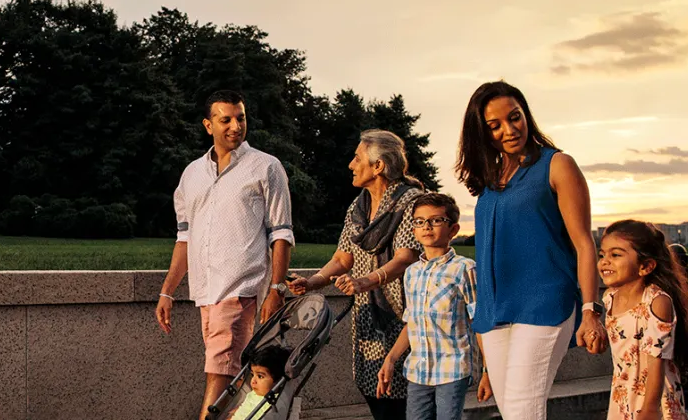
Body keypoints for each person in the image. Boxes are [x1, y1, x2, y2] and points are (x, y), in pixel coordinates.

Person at [454, 81, 607, 420]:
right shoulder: (491, 180)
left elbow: (584, 243)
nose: (509, 130)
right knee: (512, 413)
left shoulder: (558, 165)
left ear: (526, 115)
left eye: (515, 117)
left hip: (544, 302)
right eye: (495, 126)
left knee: (523, 411)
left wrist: (590, 309)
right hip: (495, 311)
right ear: (481, 132)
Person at [155, 90, 296, 420]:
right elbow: (184, 238)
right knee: (234, 374)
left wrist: (277, 289)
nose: (236, 125)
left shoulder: (266, 167)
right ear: (208, 125)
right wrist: (167, 290)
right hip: (205, 292)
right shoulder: (191, 174)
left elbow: (282, 233)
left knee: (219, 372)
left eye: (241, 118)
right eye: (226, 119)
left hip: (241, 289)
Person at [289, 129, 424, 420]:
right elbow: (342, 257)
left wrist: (363, 281)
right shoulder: (359, 207)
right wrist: (312, 282)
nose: (351, 164)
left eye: (357, 158)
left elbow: (404, 259)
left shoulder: (411, 202)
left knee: (402, 399)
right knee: (374, 392)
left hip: (403, 317)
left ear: (378, 166)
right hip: (367, 316)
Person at [376, 192, 492, 420]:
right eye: (420, 221)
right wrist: (390, 359)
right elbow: (413, 323)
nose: (427, 226)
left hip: (453, 369)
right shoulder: (411, 273)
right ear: (413, 231)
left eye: (436, 220)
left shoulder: (465, 270)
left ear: (453, 229)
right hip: (418, 371)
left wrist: (489, 371)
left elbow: (479, 323)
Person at [598, 220, 688, 420]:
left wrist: (650, 407)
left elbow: (656, 362)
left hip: (654, 394)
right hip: (623, 394)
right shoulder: (610, 298)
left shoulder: (656, 302)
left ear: (646, 266)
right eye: (602, 254)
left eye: (615, 255)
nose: (605, 261)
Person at [230, 345, 292, 420]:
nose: (253, 381)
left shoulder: (272, 404)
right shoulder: (254, 393)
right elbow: (245, 407)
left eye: (260, 376)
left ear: (278, 380)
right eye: (252, 375)